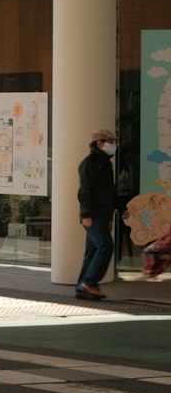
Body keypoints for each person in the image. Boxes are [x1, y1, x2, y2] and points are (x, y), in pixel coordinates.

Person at [76, 126, 118, 300]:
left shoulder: (104, 163)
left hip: (100, 213)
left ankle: (82, 286)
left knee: (92, 251)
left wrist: (119, 208)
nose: (114, 145)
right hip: (94, 214)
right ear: (99, 143)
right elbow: (85, 191)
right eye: (111, 142)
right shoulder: (91, 163)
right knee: (105, 246)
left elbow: (108, 192)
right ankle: (90, 283)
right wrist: (86, 214)